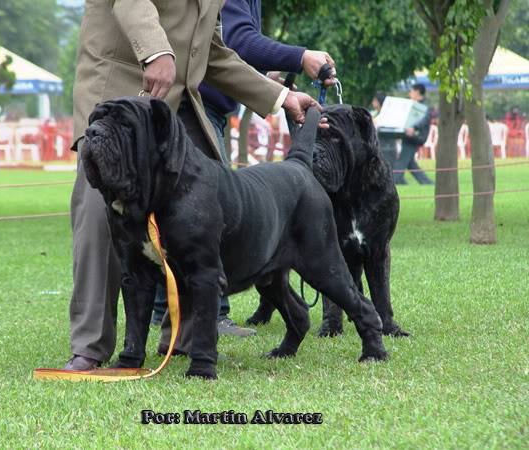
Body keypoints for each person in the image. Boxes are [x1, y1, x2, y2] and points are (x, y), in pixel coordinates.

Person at [64, 0, 326, 371]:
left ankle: (187, 337)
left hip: (178, 108)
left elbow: (211, 51)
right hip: (120, 90)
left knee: (212, 206)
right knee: (99, 213)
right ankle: (89, 345)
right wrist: (155, 51)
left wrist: (280, 97)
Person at [152, 0, 337, 339]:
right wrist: (300, 56)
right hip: (195, 107)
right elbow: (237, 39)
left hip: (212, 106)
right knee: (211, 216)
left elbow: (227, 49)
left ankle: (176, 317)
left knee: (193, 217)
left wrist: (271, 87)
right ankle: (205, 318)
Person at [392, 83, 433, 185]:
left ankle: (393, 181)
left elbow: (423, 120)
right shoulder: (412, 104)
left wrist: (414, 128)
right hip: (408, 135)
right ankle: (427, 183)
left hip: (416, 136)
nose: (409, 93)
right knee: (411, 164)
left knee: (402, 160)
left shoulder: (424, 107)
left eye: (411, 91)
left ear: (417, 92)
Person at [371, 91, 398, 168]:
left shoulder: (387, 115)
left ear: (379, 102)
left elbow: (377, 124)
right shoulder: (375, 113)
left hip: (387, 148)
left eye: (374, 100)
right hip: (379, 146)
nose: (373, 102)